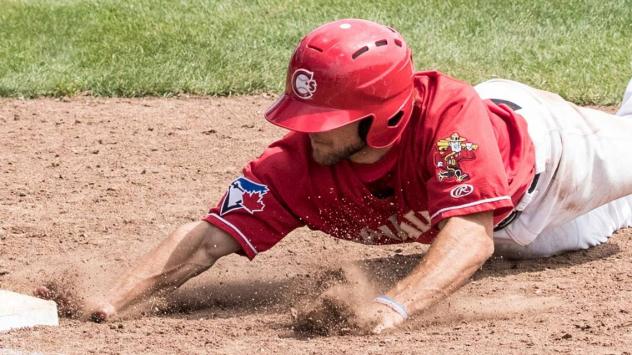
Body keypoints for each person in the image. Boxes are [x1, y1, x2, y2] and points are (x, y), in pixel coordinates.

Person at [63, 19, 632, 333]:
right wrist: (113, 299)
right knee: (587, 234)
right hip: (514, 235)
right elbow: (208, 240)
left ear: (384, 118)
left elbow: (469, 235)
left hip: (559, 164)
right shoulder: (293, 167)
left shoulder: (450, 120)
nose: (310, 133)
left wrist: (391, 306)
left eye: (327, 122)